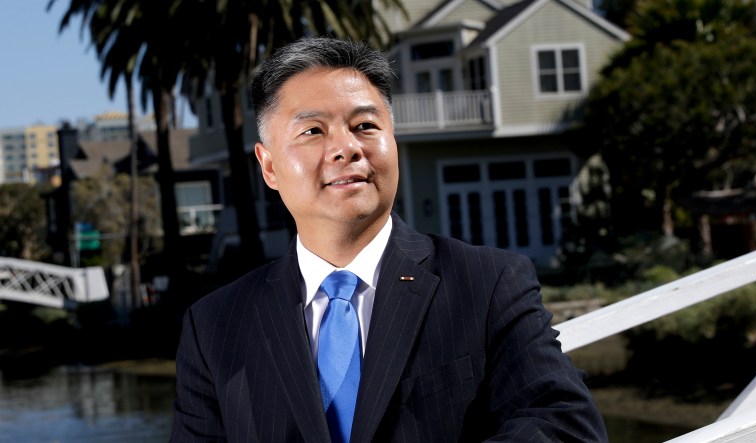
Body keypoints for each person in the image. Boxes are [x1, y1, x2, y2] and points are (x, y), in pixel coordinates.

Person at [170, 37, 608, 442]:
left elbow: (563, 423)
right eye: (313, 131)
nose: (346, 148)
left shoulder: (487, 283)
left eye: (364, 125)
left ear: (392, 140)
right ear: (268, 167)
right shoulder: (213, 327)